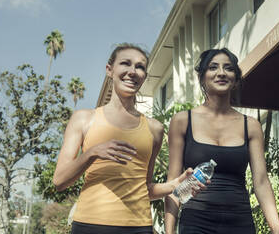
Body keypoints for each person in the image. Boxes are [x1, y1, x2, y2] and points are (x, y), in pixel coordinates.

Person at [53, 43, 190, 234]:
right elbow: (59, 181)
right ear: (110, 70)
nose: (133, 71)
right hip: (91, 224)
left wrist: (173, 186)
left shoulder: (154, 129)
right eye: (126, 63)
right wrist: (92, 153)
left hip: (139, 227)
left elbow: (145, 188)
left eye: (140, 67)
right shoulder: (83, 118)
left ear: (144, 77)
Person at [164, 48, 279, 234]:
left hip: (239, 221)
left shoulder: (250, 125)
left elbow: (260, 181)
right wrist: (169, 231)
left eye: (228, 68)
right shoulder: (182, 121)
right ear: (202, 77)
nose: (221, 73)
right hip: (195, 222)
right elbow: (173, 182)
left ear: (235, 79)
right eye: (213, 67)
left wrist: (277, 229)